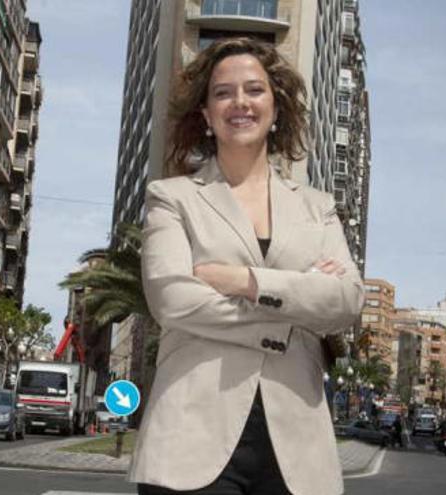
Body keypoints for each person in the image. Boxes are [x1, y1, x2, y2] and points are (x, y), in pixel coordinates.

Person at [128, 38, 365, 495]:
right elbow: (174, 301)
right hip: (188, 440)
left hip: (296, 452)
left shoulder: (319, 208)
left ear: (276, 110)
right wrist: (291, 313)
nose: (240, 102)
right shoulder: (172, 197)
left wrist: (243, 280)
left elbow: (346, 301)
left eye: (254, 90)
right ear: (206, 115)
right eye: (223, 92)